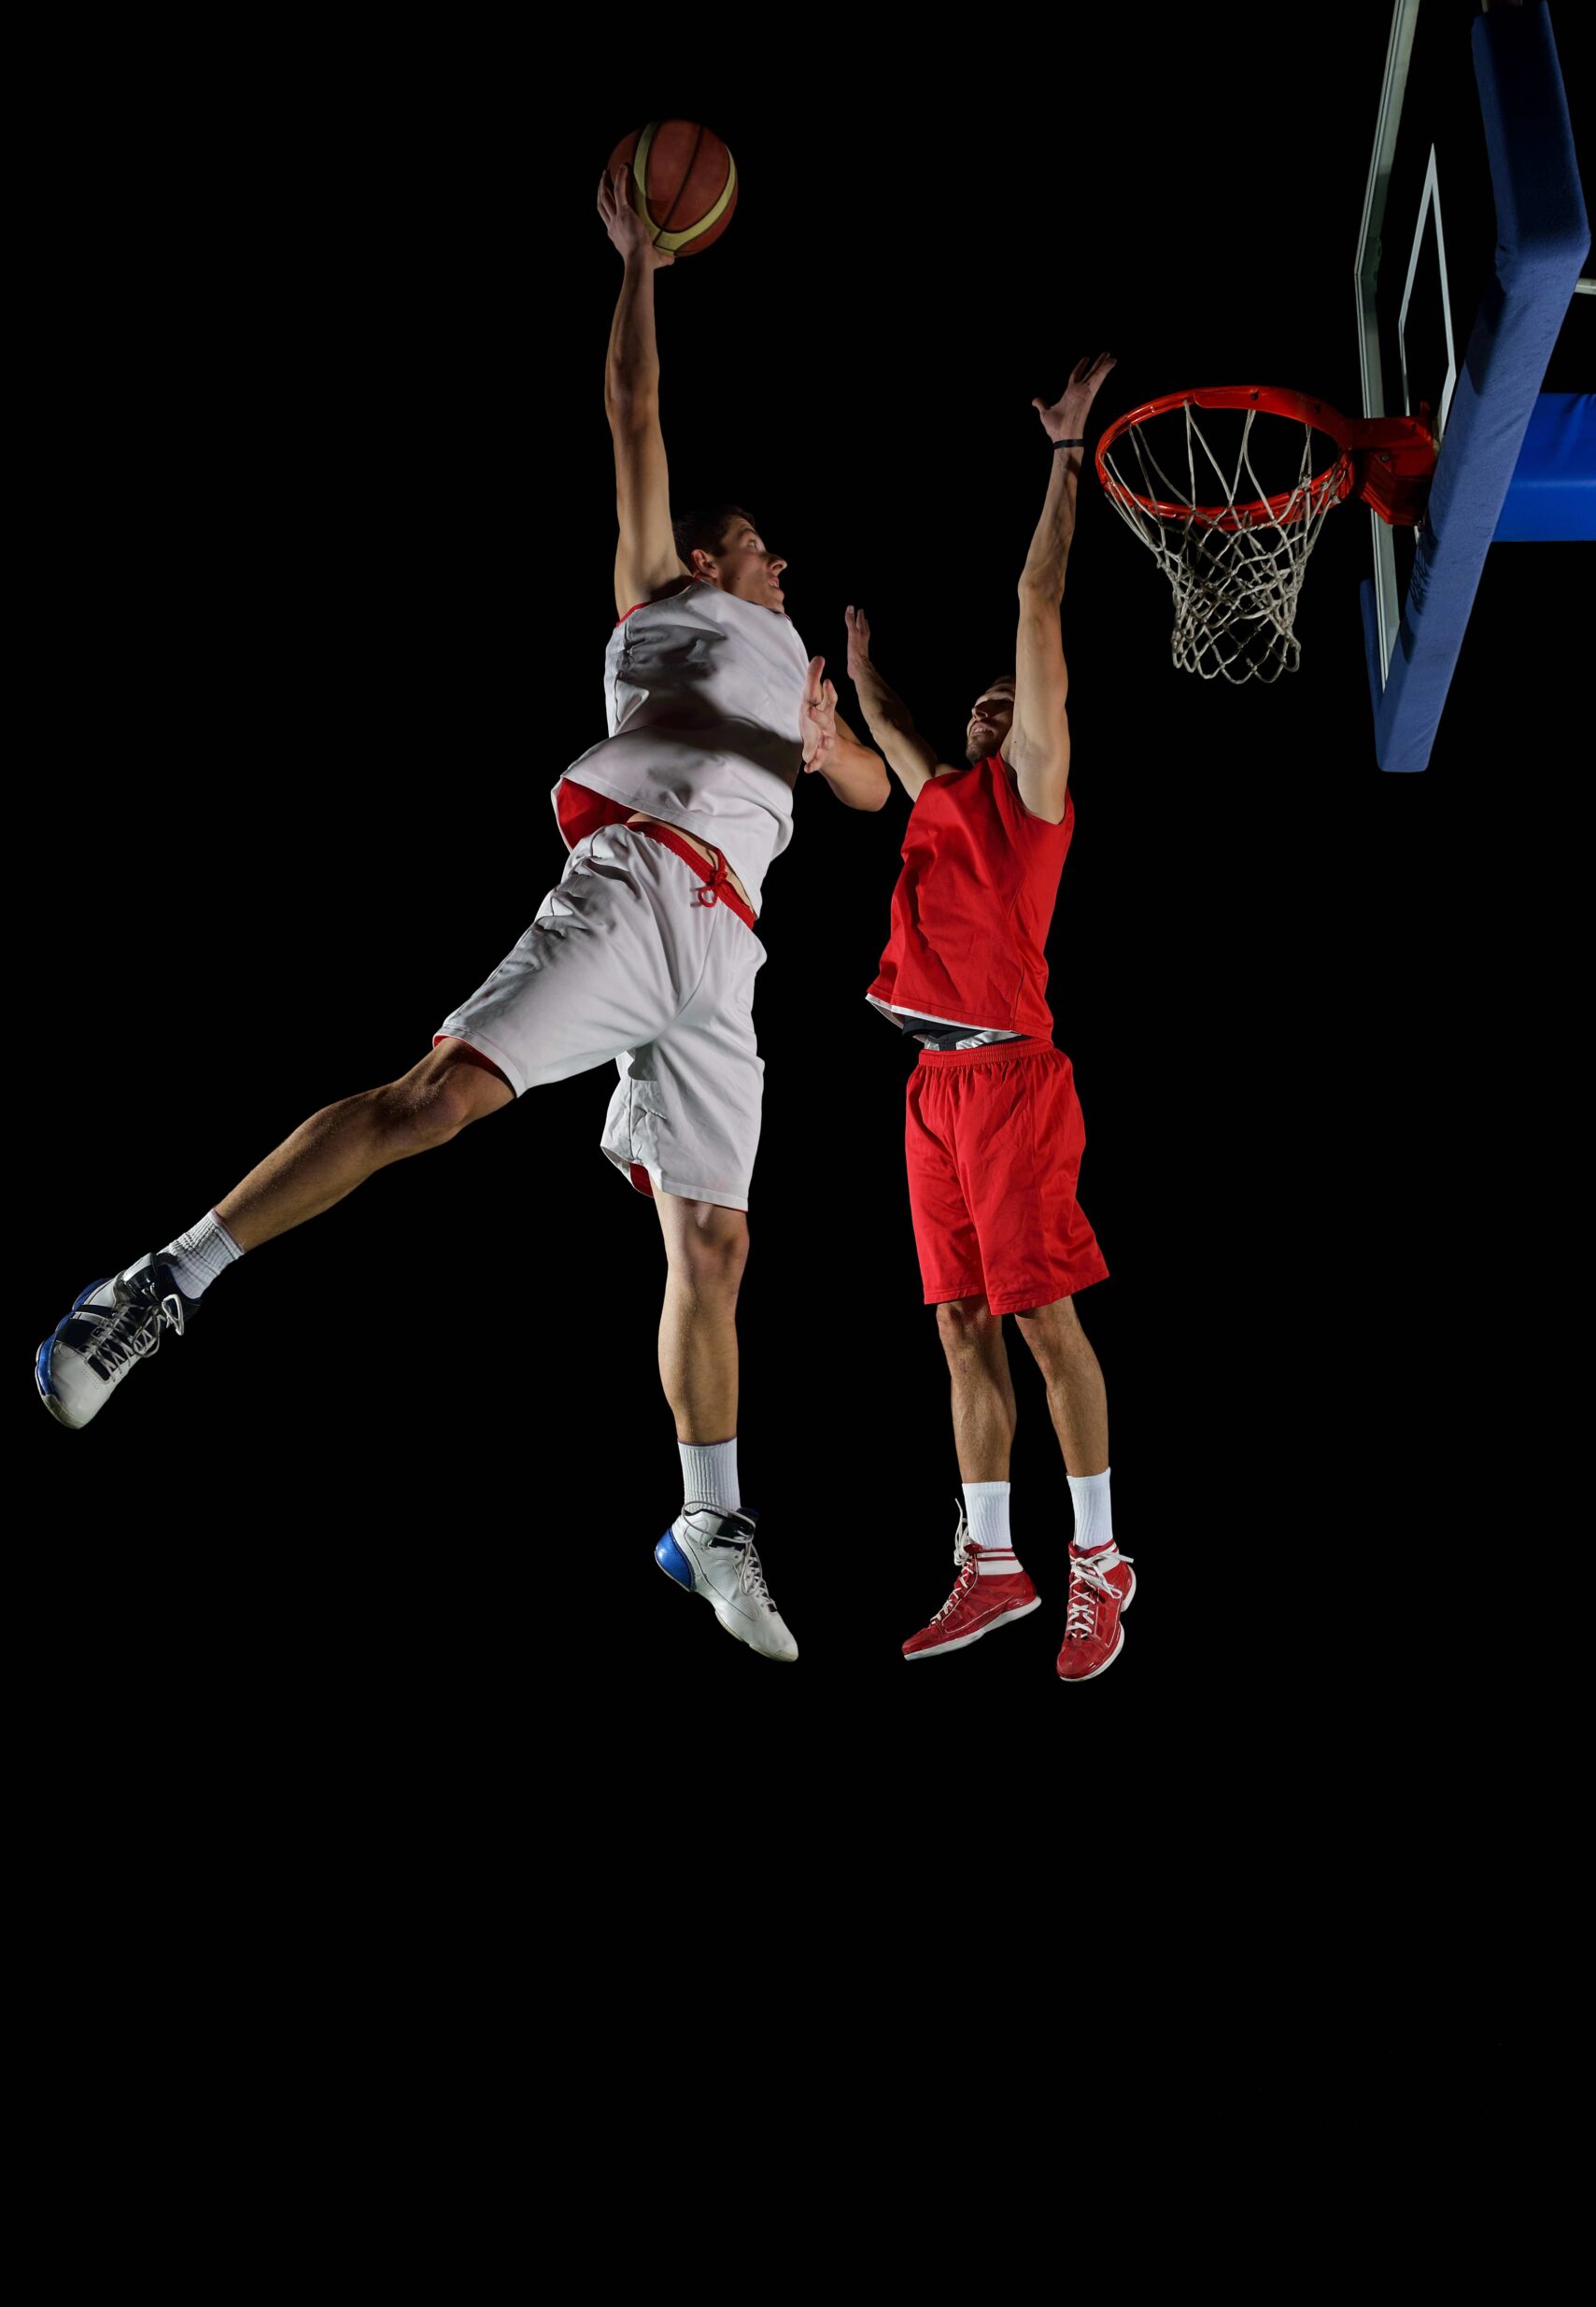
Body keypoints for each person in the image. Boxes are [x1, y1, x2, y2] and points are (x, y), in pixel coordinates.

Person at [35, 162, 889, 1666]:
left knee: (718, 1251)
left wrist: (832, 751)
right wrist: (639, 269)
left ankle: (707, 1526)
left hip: (729, 953)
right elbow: (634, 416)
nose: (781, 564)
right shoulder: (664, 601)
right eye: (763, 547)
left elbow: (875, 801)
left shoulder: (795, 672)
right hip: (633, 886)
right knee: (432, 1102)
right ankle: (157, 1288)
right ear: (708, 561)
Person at [844, 352, 1133, 1682]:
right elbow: (901, 732)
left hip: (1012, 1082)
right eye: (985, 700)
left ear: (1043, 734)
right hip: (929, 1095)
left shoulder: (1032, 802)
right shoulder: (944, 805)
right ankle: (992, 1566)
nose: (991, 705)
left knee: (1041, 1322)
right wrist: (854, 676)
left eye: (1010, 705)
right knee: (958, 1328)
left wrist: (1064, 457)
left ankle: (1099, 1564)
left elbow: (1034, 594)